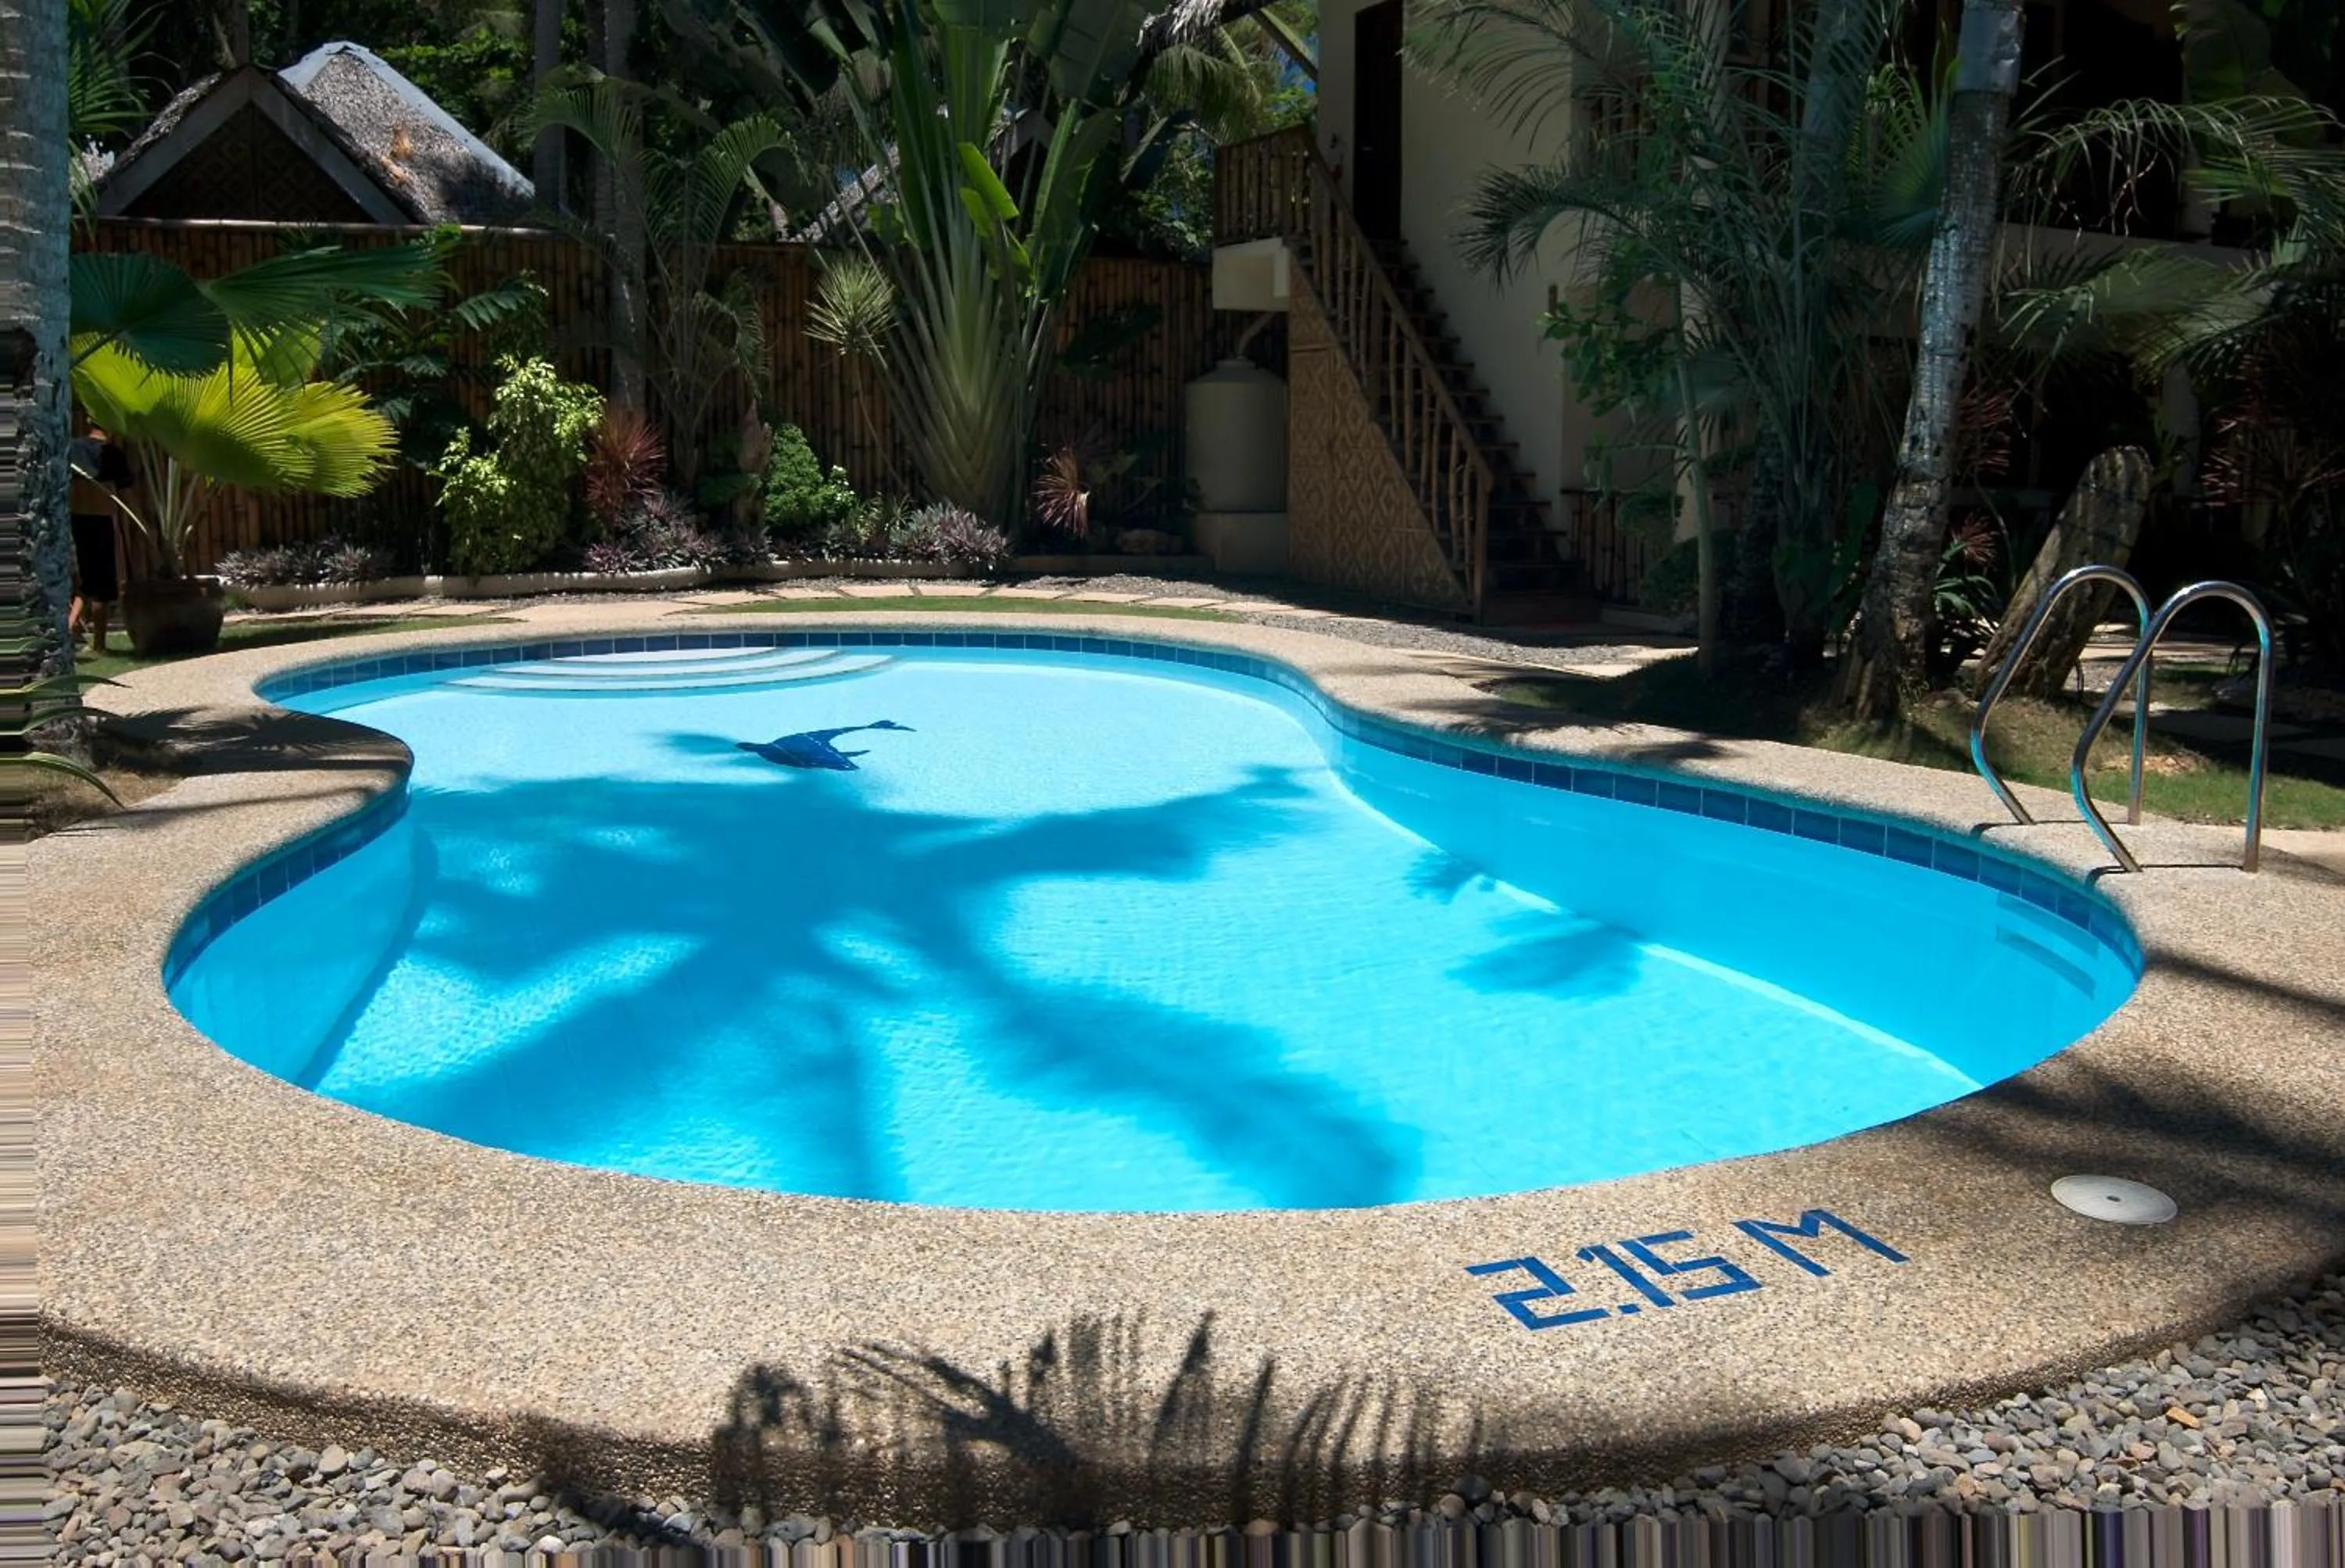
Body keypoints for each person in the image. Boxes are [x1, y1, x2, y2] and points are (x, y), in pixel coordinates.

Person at [68, 423, 134, 653]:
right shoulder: (112, 453)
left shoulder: (71, 448)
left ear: (87, 422)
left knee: (86, 580)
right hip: (102, 519)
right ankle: (99, 645)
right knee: (103, 586)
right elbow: (126, 493)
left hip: (75, 519)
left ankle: (72, 623)